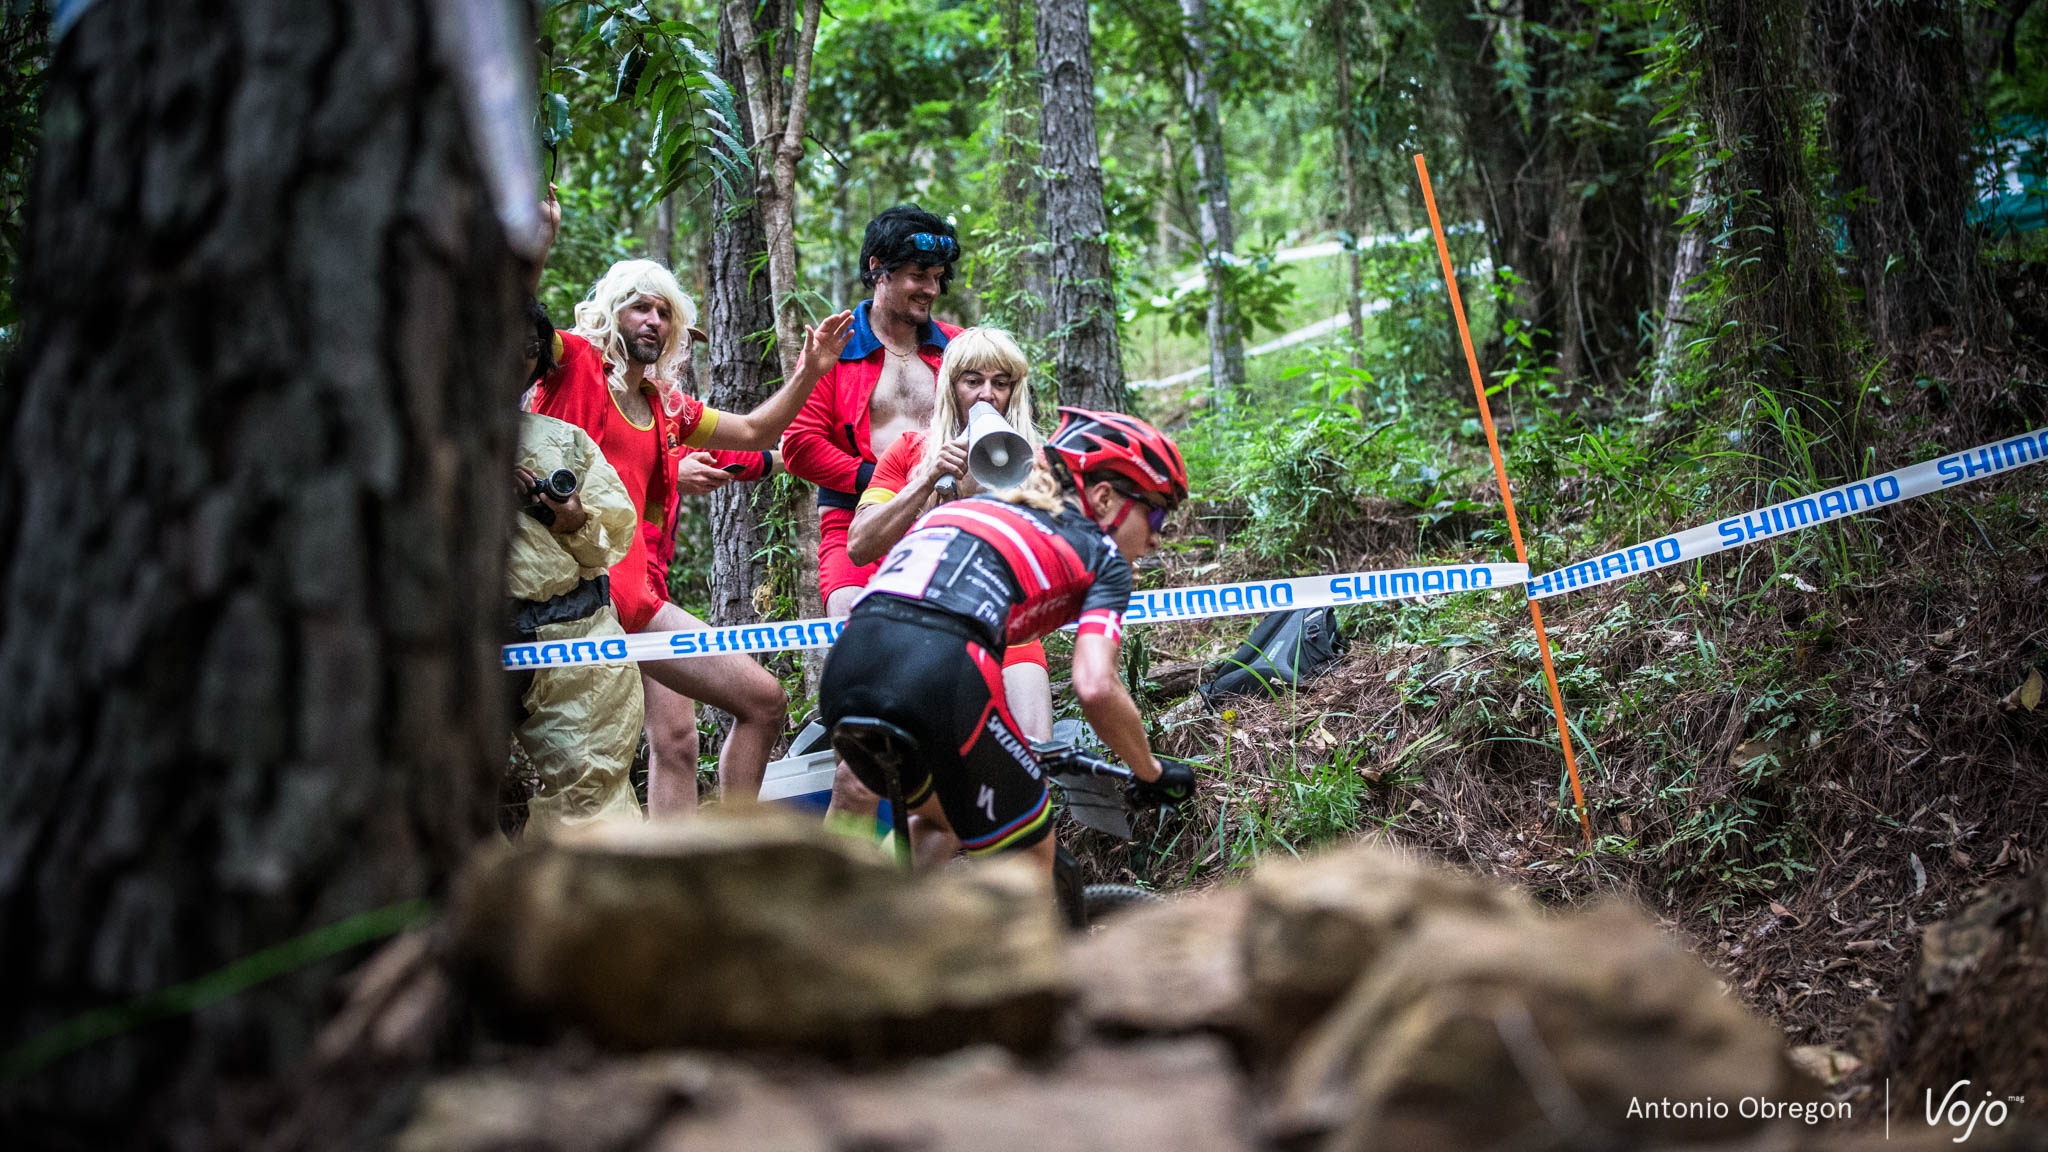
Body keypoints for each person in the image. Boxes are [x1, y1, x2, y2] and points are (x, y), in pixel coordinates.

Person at [531, 195, 855, 815]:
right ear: (609, 313)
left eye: (663, 310)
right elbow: (515, 323)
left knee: (759, 702)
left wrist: (813, 370)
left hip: (637, 599)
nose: (652, 319)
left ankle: (721, 860)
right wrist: (540, 244)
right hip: (565, 601)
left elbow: (758, 434)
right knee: (587, 771)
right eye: (638, 306)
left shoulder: (667, 408)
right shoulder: (573, 362)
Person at [819, 408, 1199, 873]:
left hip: (847, 665)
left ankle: (849, 931)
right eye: (1156, 513)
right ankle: (1034, 946)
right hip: (942, 671)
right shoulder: (1102, 556)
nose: (1158, 538)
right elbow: (1096, 686)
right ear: (1102, 498)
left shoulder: (965, 508)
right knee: (1030, 848)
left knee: (946, 820)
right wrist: (1150, 772)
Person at [781, 205, 964, 825]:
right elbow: (800, 445)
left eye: (939, 276)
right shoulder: (838, 347)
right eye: (919, 274)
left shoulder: (959, 350)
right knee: (866, 678)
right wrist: (882, 484)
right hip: (856, 529)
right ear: (877, 269)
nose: (931, 289)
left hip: (949, 528)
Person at [846, 327, 1054, 746]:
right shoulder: (908, 450)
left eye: (1001, 383)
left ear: (1015, 391)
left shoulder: (1038, 459)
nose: (986, 395)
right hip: (923, 628)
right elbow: (859, 544)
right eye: (973, 381)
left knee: (1034, 752)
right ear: (951, 387)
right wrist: (925, 481)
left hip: (1007, 628)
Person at [508, 300, 644, 831]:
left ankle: (585, 912)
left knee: (590, 797)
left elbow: (611, 538)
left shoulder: (564, 441)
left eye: (529, 349)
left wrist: (573, 519)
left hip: (571, 641)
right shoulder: (419, 441)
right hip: (460, 644)